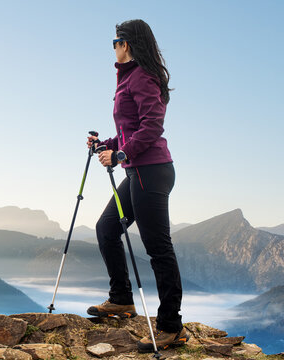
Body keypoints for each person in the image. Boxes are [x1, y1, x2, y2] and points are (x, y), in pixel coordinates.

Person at [86, 19, 188, 351]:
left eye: (115, 41)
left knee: (158, 248)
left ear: (125, 44)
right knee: (106, 229)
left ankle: (171, 327)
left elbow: (152, 126)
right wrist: (106, 146)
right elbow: (131, 130)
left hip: (151, 170)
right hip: (138, 170)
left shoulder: (142, 76)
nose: (113, 47)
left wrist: (121, 154)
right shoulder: (130, 78)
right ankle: (121, 300)